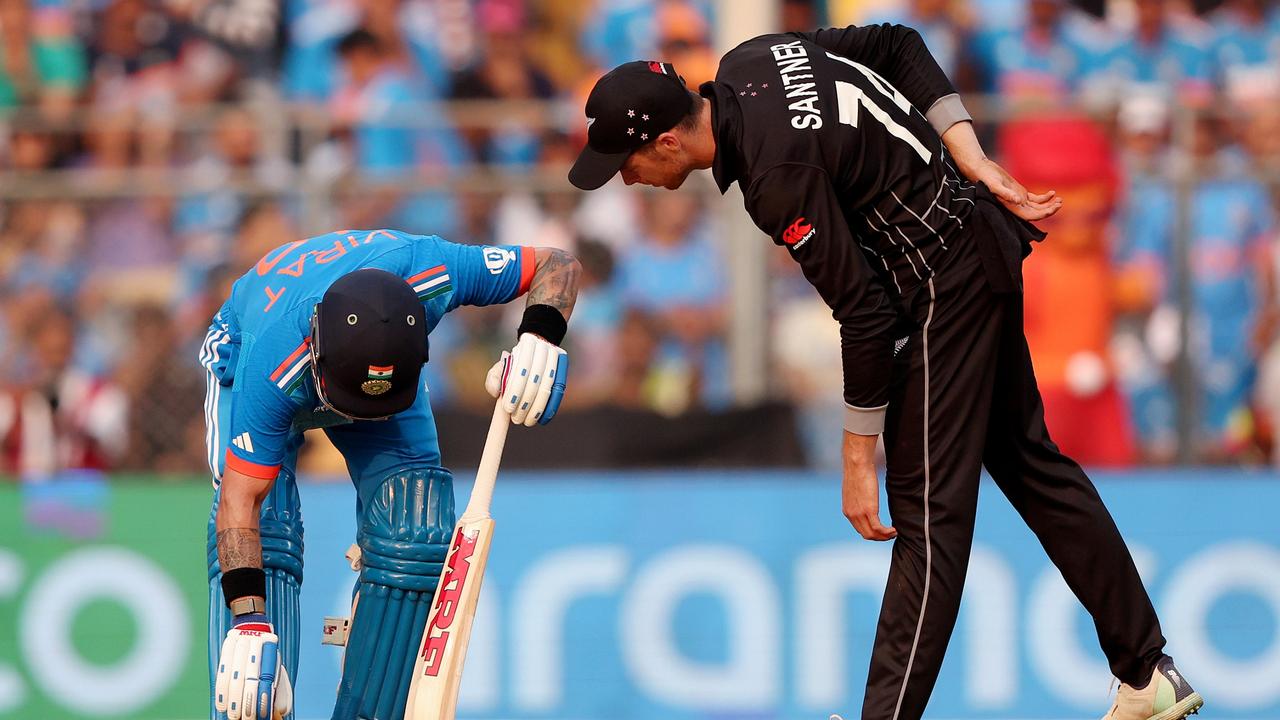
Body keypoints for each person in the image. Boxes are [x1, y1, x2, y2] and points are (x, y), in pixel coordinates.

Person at [567, 26, 1203, 720]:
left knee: (927, 519)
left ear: (666, 141)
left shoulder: (777, 179)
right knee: (1030, 464)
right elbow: (899, 45)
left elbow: (867, 316)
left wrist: (855, 455)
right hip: (976, 241)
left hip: (941, 285)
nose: (625, 177)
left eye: (623, 160)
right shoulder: (753, 57)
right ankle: (1147, 672)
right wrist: (970, 152)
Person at [202, 229, 579, 720]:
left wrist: (542, 337)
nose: (360, 418)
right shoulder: (270, 361)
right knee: (266, 523)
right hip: (257, 362)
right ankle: (249, 694)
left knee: (416, 526)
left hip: (369, 374)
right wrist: (248, 622)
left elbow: (557, 264)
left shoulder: (434, 269)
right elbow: (241, 501)